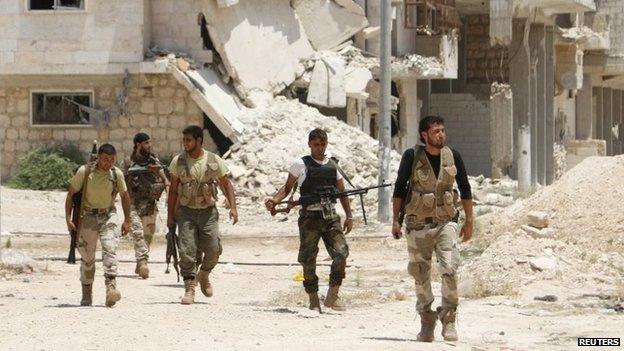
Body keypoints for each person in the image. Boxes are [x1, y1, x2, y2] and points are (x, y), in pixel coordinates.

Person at [391, 115, 473, 342]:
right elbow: (399, 188)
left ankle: (449, 320)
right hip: (418, 225)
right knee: (420, 273)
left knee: (449, 269)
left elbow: (465, 188)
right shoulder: (411, 156)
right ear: (424, 135)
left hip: (446, 223)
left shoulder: (452, 156)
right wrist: (396, 220)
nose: (441, 135)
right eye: (436, 131)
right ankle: (427, 320)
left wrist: (469, 221)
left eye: (442, 131)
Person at [265, 128, 353, 312]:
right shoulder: (300, 164)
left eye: (322, 145)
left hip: (330, 218)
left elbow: (343, 193)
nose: (319, 149)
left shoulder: (333, 166)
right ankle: (313, 298)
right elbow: (287, 188)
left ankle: (332, 295)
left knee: (341, 253)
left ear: (326, 144)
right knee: (308, 259)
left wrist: (349, 216)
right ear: (309, 145)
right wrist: (275, 200)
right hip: (309, 218)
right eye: (316, 145)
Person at [167, 125, 238, 305]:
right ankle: (190, 288)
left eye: (188, 140)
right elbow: (173, 190)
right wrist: (170, 216)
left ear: (199, 141)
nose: (185, 143)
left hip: (208, 213)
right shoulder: (178, 161)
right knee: (187, 251)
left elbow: (226, 184)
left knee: (214, 250)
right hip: (186, 212)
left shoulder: (213, 160)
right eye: (184, 140)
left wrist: (233, 207)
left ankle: (204, 274)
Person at [64, 143, 131, 307]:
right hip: (87, 217)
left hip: (108, 215)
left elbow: (125, 196)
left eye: (112, 160)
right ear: (98, 157)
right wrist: (68, 219)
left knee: (110, 249)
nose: (108, 163)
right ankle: (87, 292)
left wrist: (127, 219)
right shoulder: (85, 172)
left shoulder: (116, 174)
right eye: (105, 159)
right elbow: (71, 195)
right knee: (87, 257)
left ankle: (111, 289)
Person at [123, 132, 170, 279]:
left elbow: (165, 180)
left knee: (148, 236)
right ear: (138, 144)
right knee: (137, 233)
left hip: (150, 204)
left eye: (149, 143)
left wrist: (159, 173)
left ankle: (140, 261)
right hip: (133, 204)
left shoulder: (153, 159)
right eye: (146, 143)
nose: (149, 145)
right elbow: (121, 184)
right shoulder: (127, 162)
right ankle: (143, 262)